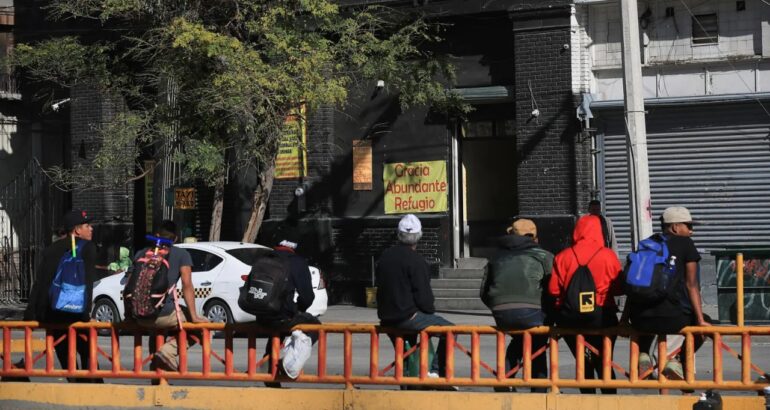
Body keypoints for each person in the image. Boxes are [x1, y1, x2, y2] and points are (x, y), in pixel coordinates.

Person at [627, 206, 710, 381]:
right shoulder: (685, 243)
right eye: (688, 226)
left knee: (648, 311)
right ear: (675, 227)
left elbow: (634, 287)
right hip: (672, 319)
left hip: (641, 320)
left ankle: (643, 354)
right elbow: (691, 284)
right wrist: (701, 320)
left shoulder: (647, 244)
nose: (691, 231)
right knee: (706, 324)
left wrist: (624, 319)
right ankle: (677, 360)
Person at [23, 209, 102, 382]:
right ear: (76, 230)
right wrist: (87, 315)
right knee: (86, 347)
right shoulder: (87, 247)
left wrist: (30, 313)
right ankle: (92, 383)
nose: (91, 229)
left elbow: (40, 282)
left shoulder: (51, 249)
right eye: (87, 226)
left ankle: (72, 380)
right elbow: (87, 284)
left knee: (63, 348)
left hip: (52, 313)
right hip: (76, 313)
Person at [376, 214, 455, 385]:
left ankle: (406, 382)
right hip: (408, 317)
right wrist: (428, 312)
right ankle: (437, 372)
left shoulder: (385, 257)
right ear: (419, 236)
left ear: (399, 234)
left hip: (386, 317)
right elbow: (425, 300)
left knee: (406, 347)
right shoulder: (417, 261)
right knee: (450, 331)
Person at [548, 215, 622, 394]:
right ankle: (610, 401)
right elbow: (619, 288)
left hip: (571, 319)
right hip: (603, 316)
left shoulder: (562, 256)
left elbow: (553, 290)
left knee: (582, 362)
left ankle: (587, 399)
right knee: (604, 360)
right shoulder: (608, 255)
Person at [481, 218, 553, 393]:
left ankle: (505, 379)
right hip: (533, 312)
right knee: (538, 342)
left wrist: (497, 306)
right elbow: (554, 288)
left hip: (500, 312)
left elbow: (484, 292)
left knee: (519, 339)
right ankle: (539, 386)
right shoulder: (544, 255)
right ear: (534, 237)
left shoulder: (496, 257)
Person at [133, 220, 208, 372]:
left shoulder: (141, 253)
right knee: (204, 326)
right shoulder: (181, 254)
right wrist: (194, 316)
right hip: (164, 315)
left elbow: (130, 285)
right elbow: (187, 285)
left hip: (140, 317)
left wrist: (130, 315)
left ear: (157, 235)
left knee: (156, 332)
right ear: (175, 239)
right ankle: (169, 351)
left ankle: (157, 373)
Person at [256, 234, 320, 388]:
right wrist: (298, 309)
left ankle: (270, 372)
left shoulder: (263, 259)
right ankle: (290, 363)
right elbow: (307, 297)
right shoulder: (297, 262)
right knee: (315, 326)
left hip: (261, 316)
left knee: (276, 335)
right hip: (282, 316)